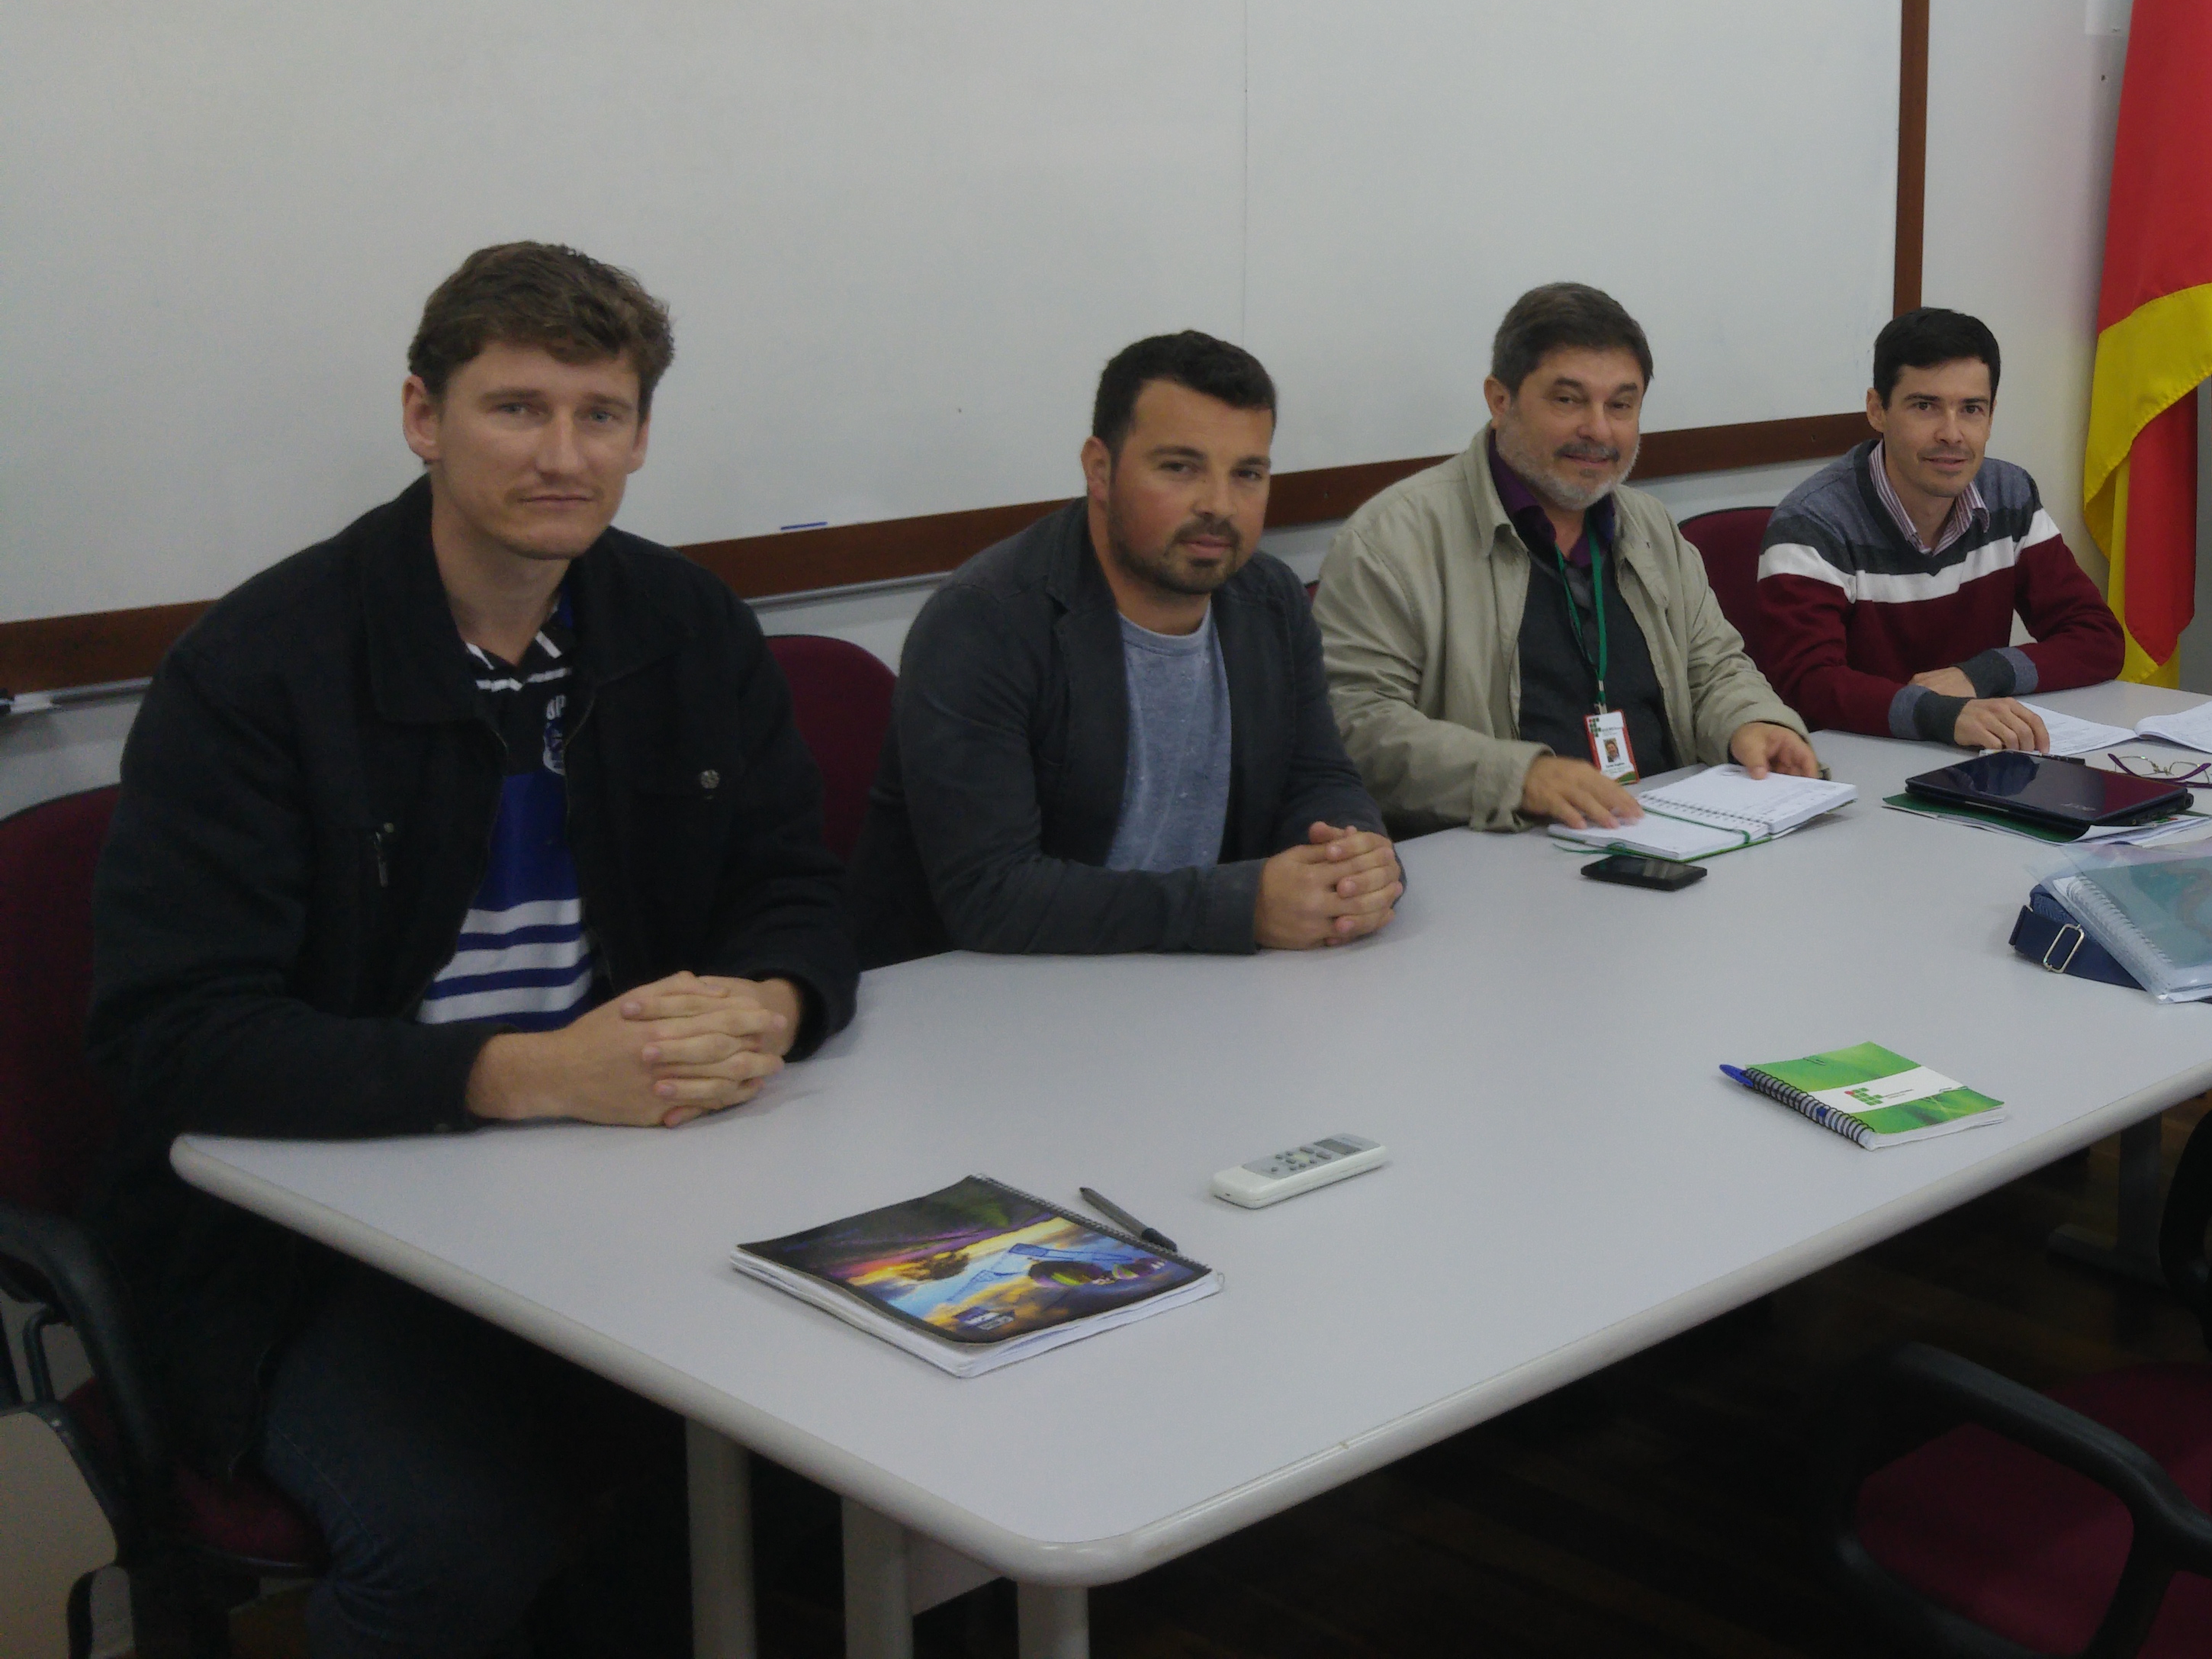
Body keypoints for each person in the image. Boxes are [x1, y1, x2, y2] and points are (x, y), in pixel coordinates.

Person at [85, 243, 862, 1658]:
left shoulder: (684, 626)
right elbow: (174, 1037)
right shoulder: (258, 668)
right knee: (453, 1547)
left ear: (640, 436)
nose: (562, 454)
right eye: (516, 408)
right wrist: (537, 1073)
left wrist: (769, 1000)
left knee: (837, 1437)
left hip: (631, 1179)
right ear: (421, 417)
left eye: (600, 413)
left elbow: (794, 884)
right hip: (318, 1237)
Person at [850, 331, 1398, 962]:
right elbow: (990, 894)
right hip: (987, 992)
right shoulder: (981, 623)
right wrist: (1241, 906)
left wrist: (1353, 862)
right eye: (1180, 467)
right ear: (1100, 471)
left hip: (1200, 981)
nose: (1219, 505)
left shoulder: (1270, 600)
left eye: (1247, 473)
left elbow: (1319, 774)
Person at [1317, 282, 1816, 831]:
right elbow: (1356, 721)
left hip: (1662, 831)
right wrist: (1519, 778)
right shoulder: (1392, 540)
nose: (1598, 430)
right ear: (1500, 400)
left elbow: (1714, 668)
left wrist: (1753, 722)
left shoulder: (1650, 526)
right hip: (1500, 846)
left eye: (1620, 406)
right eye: (1568, 400)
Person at [1747, 307, 2125, 750]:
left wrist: (1981, 674)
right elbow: (1807, 685)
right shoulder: (1813, 523)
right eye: (1925, 406)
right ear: (1877, 410)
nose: (1952, 433)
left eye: (1971, 409)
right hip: (1855, 761)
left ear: (1991, 415)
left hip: (1970, 759)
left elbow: (2097, 639)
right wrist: (1942, 715)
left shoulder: (2009, 495)